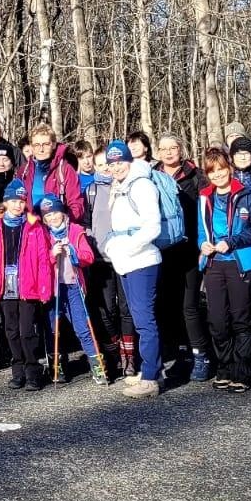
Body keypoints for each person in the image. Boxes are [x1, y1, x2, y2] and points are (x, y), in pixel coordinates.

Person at [195, 149, 251, 393]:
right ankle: (224, 367)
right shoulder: (204, 198)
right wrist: (202, 244)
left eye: (221, 168)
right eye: (212, 171)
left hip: (240, 262)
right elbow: (202, 232)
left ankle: (242, 371)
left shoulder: (246, 194)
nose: (218, 174)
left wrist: (233, 241)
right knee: (217, 320)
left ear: (229, 168)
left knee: (240, 319)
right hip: (214, 263)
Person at [102, 140, 165, 399]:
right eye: (112, 163)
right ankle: (152, 369)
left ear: (130, 161)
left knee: (144, 320)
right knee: (140, 320)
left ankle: (151, 378)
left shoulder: (142, 185)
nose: (116, 167)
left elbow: (153, 227)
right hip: (126, 261)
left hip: (142, 260)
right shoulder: (119, 186)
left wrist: (127, 248)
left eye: (120, 161)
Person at [152, 132, 209, 382]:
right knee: (168, 305)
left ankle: (201, 355)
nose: (168, 152)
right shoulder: (151, 175)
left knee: (190, 305)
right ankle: (179, 354)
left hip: (189, 249)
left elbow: (205, 213)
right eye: (163, 148)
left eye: (173, 147)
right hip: (163, 251)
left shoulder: (196, 176)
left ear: (181, 149)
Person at [0, 181, 49, 391]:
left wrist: (44, 287)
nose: (17, 205)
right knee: (10, 330)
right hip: (6, 284)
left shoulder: (34, 226)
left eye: (21, 201)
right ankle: (17, 370)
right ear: (5, 203)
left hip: (28, 284)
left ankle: (33, 371)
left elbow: (43, 259)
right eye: (13, 201)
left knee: (26, 330)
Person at [38, 193, 107, 385]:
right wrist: (52, 255)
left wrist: (73, 252)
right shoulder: (42, 234)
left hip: (73, 284)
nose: (52, 218)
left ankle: (97, 365)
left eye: (55, 213)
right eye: (48, 216)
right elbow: (38, 262)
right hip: (52, 288)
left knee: (82, 326)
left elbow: (88, 257)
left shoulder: (75, 230)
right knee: (54, 328)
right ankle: (56, 365)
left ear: (62, 212)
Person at [87, 150, 134, 380]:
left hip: (125, 257)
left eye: (108, 163)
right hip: (101, 259)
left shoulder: (125, 186)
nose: (106, 168)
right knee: (106, 309)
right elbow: (86, 222)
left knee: (127, 309)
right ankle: (113, 353)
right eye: (100, 164)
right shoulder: (91, 191)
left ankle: (129, 358)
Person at [17, 123, 84, 222]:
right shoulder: (24, 171)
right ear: (31, 146)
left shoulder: (65, 170)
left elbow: (76, 205)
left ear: (53, 144)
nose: (41, 149)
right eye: (36, 145)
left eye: (46, 144)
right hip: (32, 229)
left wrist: (63, 222)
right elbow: (16, 201)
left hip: (57, 229)